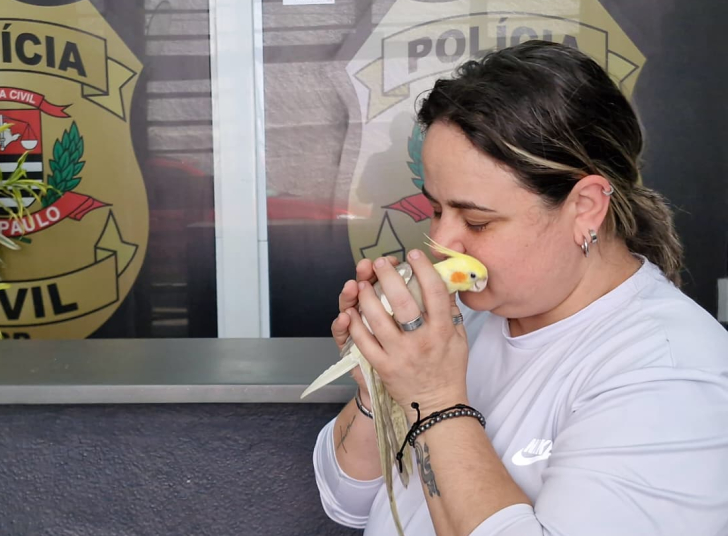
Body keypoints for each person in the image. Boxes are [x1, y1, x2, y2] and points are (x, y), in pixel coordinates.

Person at [312, 40, 728, 536]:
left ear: (585, 208)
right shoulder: (468, 317)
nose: (442, 242)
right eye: (437, 209)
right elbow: (347, 498)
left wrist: (434, 398)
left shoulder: (669, 378)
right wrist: (378, 385)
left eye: (478, 221)